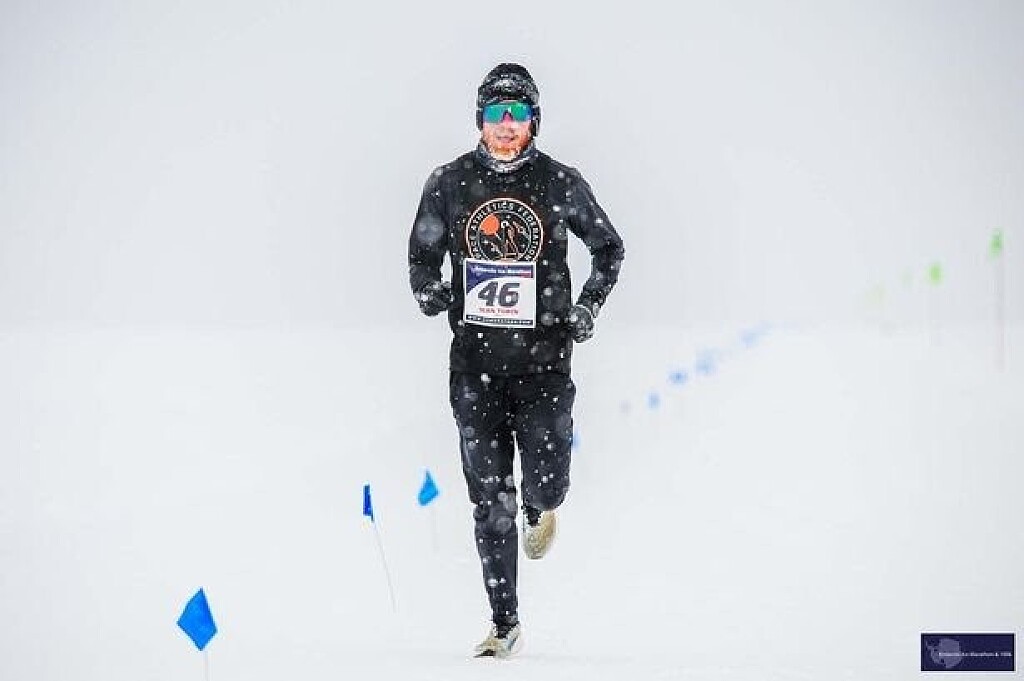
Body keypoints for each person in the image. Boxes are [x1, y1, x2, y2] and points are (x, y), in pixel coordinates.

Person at [407, 63, 625, 658]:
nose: (507, 125)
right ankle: (504, 624)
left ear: (534, 122)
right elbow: (422, 257)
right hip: (474, 369)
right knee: (488, 500)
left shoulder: (560, 182)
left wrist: (586, 306)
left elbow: (608, 248)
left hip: (544, 366)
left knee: (547, 484)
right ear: (480, 120)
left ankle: (540, 506)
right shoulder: (449, 183)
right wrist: (428, 291)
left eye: (519, 113)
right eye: (496, 113)